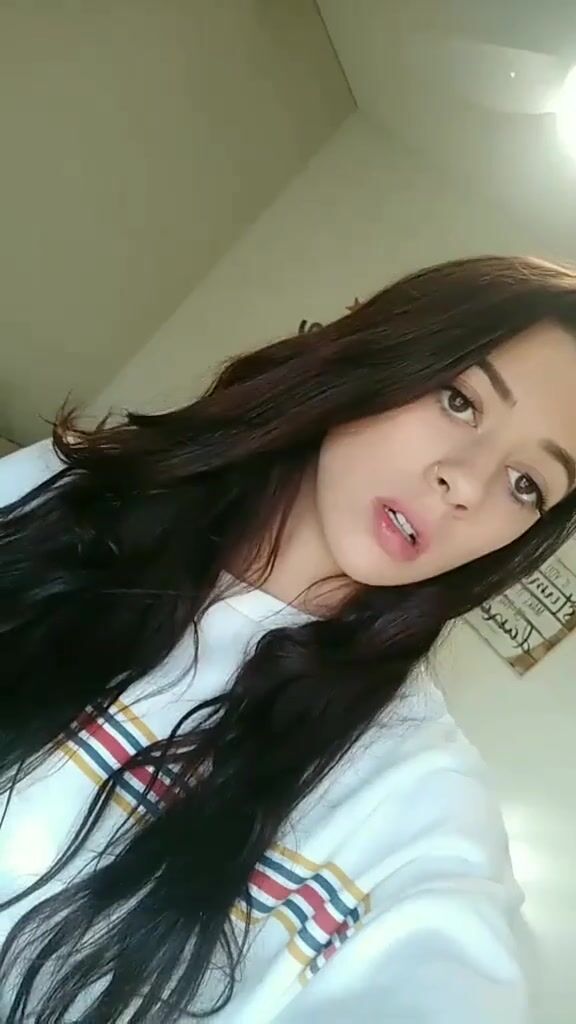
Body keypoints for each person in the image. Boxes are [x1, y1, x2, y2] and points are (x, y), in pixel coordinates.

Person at [1, 255, 576, 1024]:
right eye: (460, 400)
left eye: (526, 484)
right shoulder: (66, 493)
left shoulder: (414, 798)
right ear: (381, 349)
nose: (467, 484)